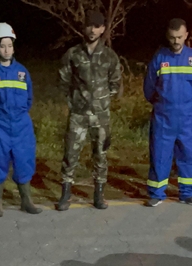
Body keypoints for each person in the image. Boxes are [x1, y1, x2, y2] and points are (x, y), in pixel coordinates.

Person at [56, 10, 122, 211]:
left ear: (102, 29)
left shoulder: (110, 56)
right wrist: (74, 102)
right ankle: (66, 194)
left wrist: (102, 101)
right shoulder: (73, 54)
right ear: (84, 27)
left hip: (101, 117)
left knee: (100, 155)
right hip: (78, 115)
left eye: (96, 26)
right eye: (89, 26)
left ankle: (99, 195)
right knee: (70, 154)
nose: (92, 30)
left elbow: (115, 83)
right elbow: (63, 80)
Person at [0, 23, 41, 217]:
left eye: (9, 45)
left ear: (14, 47)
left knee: (24, 160)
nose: (6, 50)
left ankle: (26, 201)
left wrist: (19, 116)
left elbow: (29, 98)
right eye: (2, 46)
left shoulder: (22, 72)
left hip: (21, 125)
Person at [144, 18, 192, 207]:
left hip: (186, 116)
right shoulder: (159, 58)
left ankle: (187, 193)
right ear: (167, 36)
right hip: (163, 116)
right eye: (172, 38)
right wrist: (163, 103)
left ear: (186, 35)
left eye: (179, 37)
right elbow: (149, 88)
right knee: (160, 155)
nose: (176, 41)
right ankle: (156, 193)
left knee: (188, 154)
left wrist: (184, 103)